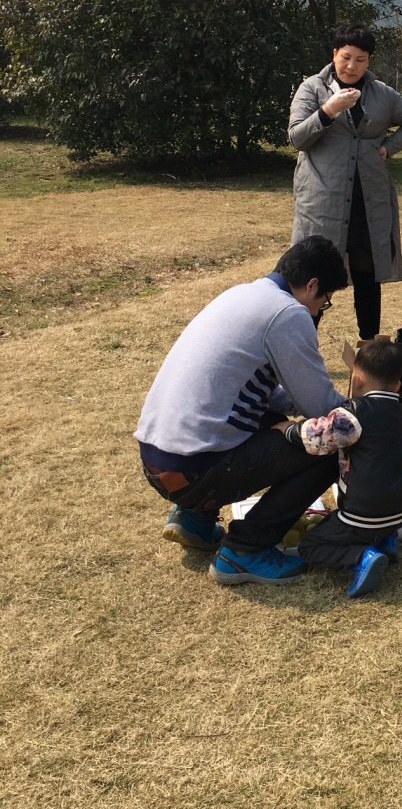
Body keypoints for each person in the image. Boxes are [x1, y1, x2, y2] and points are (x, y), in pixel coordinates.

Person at [134, 236, 350, 587]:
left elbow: (249, 389)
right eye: (324, 301)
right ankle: (245, 549)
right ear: (312, 285)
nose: (318, 312)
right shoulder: (288, 313)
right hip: (196, 470)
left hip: (159, 462)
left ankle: (194, 519)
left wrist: (291, 410)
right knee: (327, 444)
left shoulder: (241, 294)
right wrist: (365, 412)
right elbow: (320, 406)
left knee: (267, 420)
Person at [289, 23, 402, 341]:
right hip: (323, 201)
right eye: (346, 57)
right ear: (334, 54)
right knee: (314, 278)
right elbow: (297, 137)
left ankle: (369, 350)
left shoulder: (381, 93)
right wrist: (329, 110)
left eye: (361, 59)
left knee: (368, 276)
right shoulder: (312, 89)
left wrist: (389, 146)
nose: (352, 66)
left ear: (368, 61)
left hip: (368, 201)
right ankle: (299, 348)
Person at [297, 340, 402, 598]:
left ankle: (361, 556)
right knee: (380, 509)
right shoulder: (399, 410)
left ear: (356, 381)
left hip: (364, 513)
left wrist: (290, 430)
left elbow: (318, 440)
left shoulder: (355, 414)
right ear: (397, 386)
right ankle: (385, 540)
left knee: (310, 546)